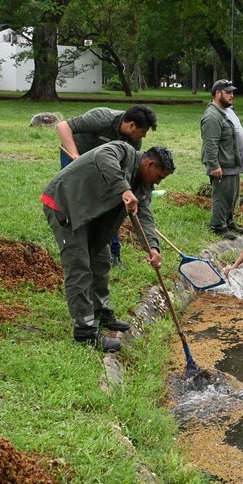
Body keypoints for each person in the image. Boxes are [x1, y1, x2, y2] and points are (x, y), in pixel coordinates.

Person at [42, 143, 175, 352]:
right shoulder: (122, 151)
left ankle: (100, 311)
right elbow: (103, 155)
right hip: (65, 204)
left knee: (101, 259)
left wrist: (153, 248)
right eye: (159, 176)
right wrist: (124, 188)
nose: (158, 182)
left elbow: (145, 217)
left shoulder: (143, 187)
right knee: (79, 266)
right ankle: (85, 332)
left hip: (89, 214)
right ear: (149, 164)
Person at [57, 105, 158, 266]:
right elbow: (63, 126)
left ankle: (113, 252)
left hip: (106, 167)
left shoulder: (134, 142)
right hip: (76, 154)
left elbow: (123, 174)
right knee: (75, 198)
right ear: (131, 125)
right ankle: (73, 244)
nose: (144, 136)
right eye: (143, 131)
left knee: (111, 203)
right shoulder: (102, 118)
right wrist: (76, 155)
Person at [201, 79, 243, 240]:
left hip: (233, 162)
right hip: (222, 163)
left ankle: (228, 222)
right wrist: (214, 165)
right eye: (228, 92)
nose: (232, 95)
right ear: (217, 93)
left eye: (232, 92)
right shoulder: (212, 116)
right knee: (222, 195)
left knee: (232, 194)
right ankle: (217, 226)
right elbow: (210, 143)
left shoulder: (228, 110)